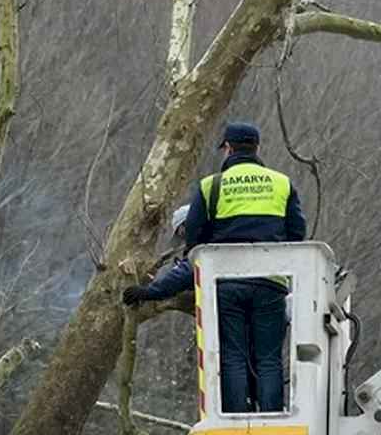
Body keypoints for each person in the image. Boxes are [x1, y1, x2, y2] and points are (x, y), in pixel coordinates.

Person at [122, 122, 305, 414]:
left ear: (228, 148)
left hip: (227, 282)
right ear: (257, 148)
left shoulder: (211, 186)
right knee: (268, 359)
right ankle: (271, 415)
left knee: (232, 355)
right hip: (271, 281)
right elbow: (297, 233)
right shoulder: (282, 183)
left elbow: (195, 243)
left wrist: (150, 291)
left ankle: (234, 416)